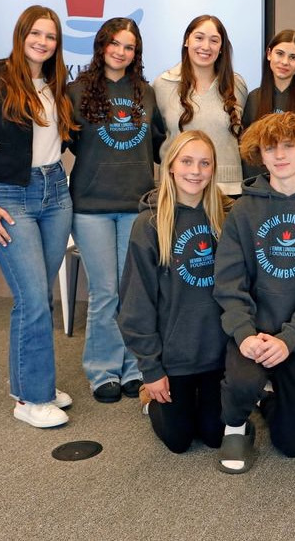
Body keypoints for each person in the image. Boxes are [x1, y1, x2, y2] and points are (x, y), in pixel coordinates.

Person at [0, 5, 75, 428]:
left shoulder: (57, 83)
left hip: (55, 193)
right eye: (37, 34)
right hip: (10, 199)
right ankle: (32, 399)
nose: (43, 42)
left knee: (37, 298)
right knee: (32, 300)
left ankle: (26, 383)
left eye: (51, 37)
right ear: (21, 33)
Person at [213, 112, 295, 472]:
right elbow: (229, 282)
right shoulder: (243, 210)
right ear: (260, 154)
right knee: (240, 385)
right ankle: (235, 425)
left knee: (292, 444)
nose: (280, 155)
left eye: (289, 145)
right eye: (270, 148)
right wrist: (245, 333)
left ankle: (269, 397)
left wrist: (290, 339)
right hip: (253, 330)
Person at [67, 17, 164, 403]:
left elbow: (156, 144)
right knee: (105, 293)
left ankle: (134, 368)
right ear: (101, 45)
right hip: (91, 206)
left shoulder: (147, 92)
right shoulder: (76, 91)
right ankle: (103, 369)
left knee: (132, 293)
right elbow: (72, 144)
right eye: (116, 44)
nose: (122, 52)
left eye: (130, 47)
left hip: (136, 205)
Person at [117, 131, 230, 453]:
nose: (195, 171)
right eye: (187, 161)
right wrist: (151, 370)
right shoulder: (150, 224)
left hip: (217, 355)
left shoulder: (226, 218)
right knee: (178, 442)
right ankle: (149, 397)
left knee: (213, 437)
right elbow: (135, 304)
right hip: (173, 357)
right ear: (170, 167)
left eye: (204, 163)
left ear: (213, 170)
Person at [153, 15, 247, 196]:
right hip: (178, 190)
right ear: (187, 40)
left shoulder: (237, 85)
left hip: (227, 190)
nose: (206, 46)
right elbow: (157, 139)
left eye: (214, 41)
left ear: (221, 48)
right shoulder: (163, 84)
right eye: (199, 38)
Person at [242, 29, 295, 185]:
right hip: (261, 191)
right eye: (279, 53)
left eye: (293, 57)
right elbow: (249, 154)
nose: (285, 62)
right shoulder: (254, 99)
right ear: (269, 54)